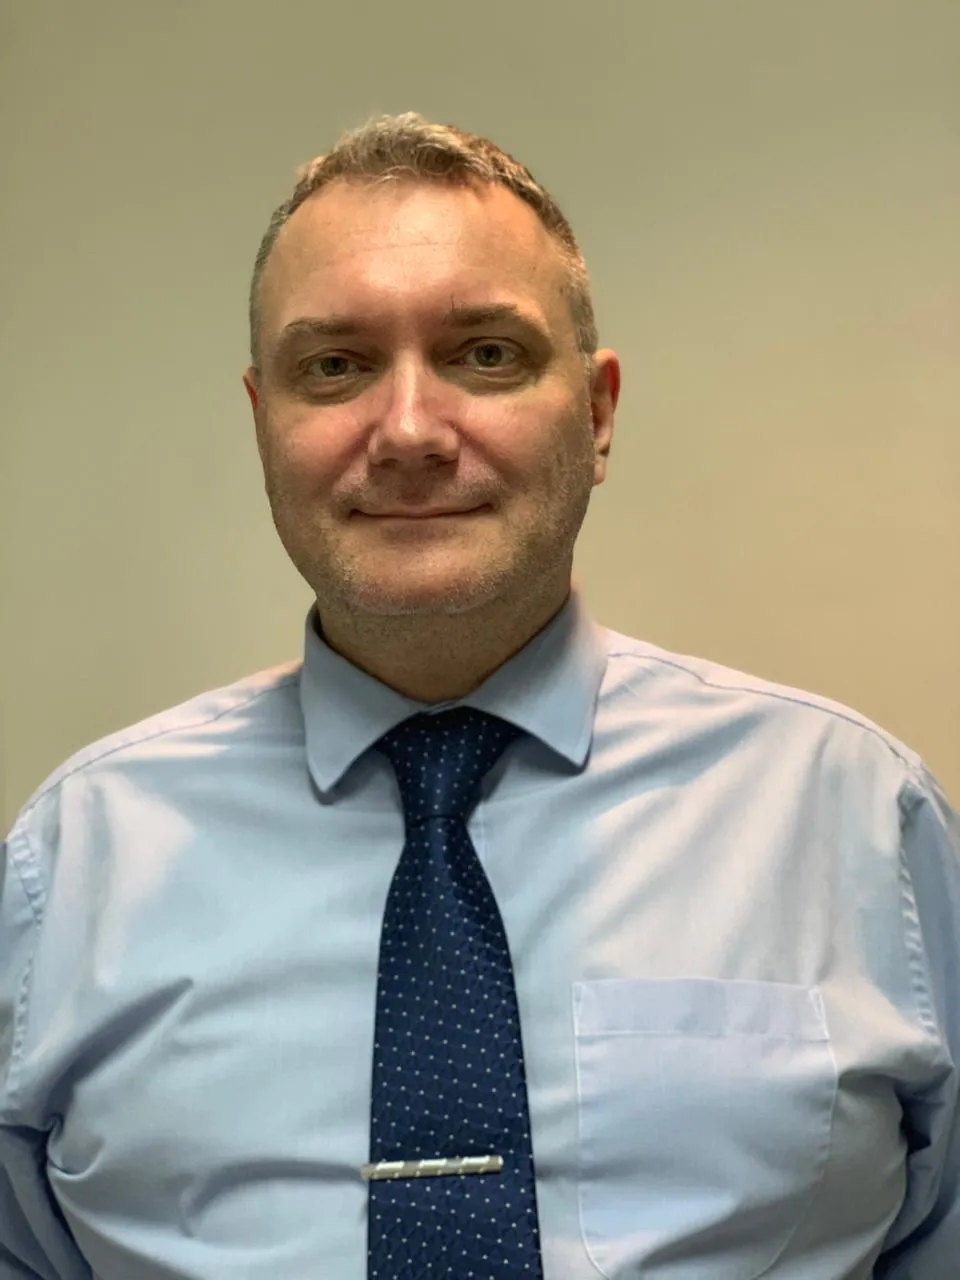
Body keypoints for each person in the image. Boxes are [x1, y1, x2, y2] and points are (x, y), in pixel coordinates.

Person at [1, 111, 957, 1280]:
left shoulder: (857, 821)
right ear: (263, 424)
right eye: (335, 365)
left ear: (596, 413)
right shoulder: (75, 865)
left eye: (486, 354)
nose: (408, 431)